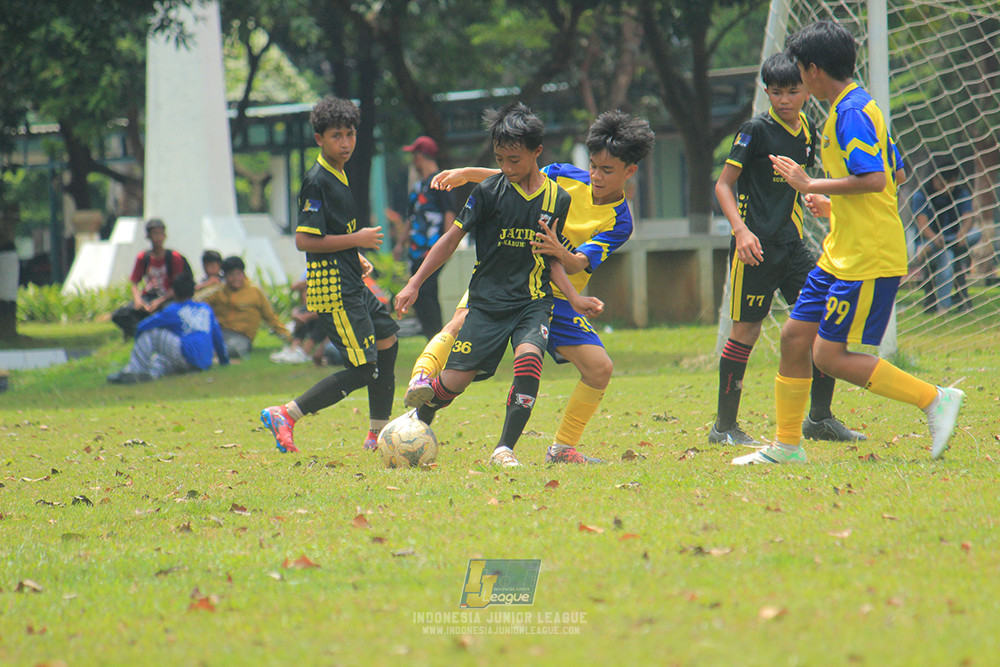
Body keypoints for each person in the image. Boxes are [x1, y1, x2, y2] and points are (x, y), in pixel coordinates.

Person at [733, 21, 964, 465]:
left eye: (800, 70)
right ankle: (786, 446)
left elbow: (876, 178)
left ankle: (935, 398)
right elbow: (894, 174)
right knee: (794, 337)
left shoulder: (850, 113)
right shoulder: (856, 105)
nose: (797, 79)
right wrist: (834, 204)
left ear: (814, 70)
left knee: (829, 356)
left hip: (867, 256)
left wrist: (808, 183)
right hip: (839, 251)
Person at [415, 110, 655, 464]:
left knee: (599, 368)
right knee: (456, 324)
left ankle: (562, 448)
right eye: (593, 166)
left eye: (607, 171)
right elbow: (515, 176)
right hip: (505, 274)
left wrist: (559, 252)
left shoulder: (620, 221)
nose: (596, 176)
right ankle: (420, 383)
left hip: (553, 295)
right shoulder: (565, 175)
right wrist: (467, 174)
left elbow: (576, 263)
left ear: (629, 172)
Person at [394, 102, 573, 468]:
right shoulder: (488, 192)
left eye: (514, 160)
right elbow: (449, 238)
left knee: (528, 360)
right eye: (499, 159)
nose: (506, 168)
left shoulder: (559, 199)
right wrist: (414, 282)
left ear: (537, 152)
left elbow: (551, 256)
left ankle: (504, 448)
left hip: (532, 302)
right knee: (454, 381)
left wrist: (574, 297)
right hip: (487, 303)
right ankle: (416, 425)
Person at [712, 53, 864, 446]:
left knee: (825, 318)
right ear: (766, 92)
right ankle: (724, 428)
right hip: (755, 248)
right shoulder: (754, 130)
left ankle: (819, 418)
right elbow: (723, 185)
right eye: (776, 92)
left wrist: (813, 197)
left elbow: (801, 183)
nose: (785, 99)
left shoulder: (809, 130)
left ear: (805, 91)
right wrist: (741, 231)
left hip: (793, 246)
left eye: (793, 91)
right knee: (745, 331)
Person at [259, 96, 399, 454]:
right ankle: (286, 414)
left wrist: (356, 255)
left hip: (350, 279)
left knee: (387, 340)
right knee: (364, 369)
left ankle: (377, 434)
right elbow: (305, 240)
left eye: (350, 134)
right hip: (333, 290)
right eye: (337, 135)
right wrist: (359, 239)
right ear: (319, 138)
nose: (346, 142)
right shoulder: (317, 181)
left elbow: (331, 233)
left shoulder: (340, 173)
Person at [107, 274, 228, 384]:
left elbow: (142, 326)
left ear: (174, 292)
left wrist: (139, 339)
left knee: (151, 333)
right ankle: (151, 374)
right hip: (204, 361)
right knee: (161, 359)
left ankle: (132, 371)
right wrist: (224, 360)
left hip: (188, 354)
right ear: (192, 291)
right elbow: (217, 336)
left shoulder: (174, 309)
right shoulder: (205, 309)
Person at [393, 135, 457, 338]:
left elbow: (450, 213)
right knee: (420, 295)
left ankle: (438, 340)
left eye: (414, 155)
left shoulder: (440, 182)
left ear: (420, 157)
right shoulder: (419, 186)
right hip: (416, 251)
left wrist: (447, 244)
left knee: (426, 293)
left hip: (433, 249)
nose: (413, 160)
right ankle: (434, 339)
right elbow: (412, 217)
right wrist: (400, 244)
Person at [911, 156, 979, 313]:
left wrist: (962, 233)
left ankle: (945, 305)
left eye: (951, 183)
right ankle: (943, 307)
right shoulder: (922, 195)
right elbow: (922, 224)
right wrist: (935, 238)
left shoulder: (960, 193)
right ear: (935, 178)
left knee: (976, 234)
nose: (947, 188)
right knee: (947, 259)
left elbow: (968, 218)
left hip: (954, 239)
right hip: (931, 241)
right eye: (943, 183)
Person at [111, 218, 192, 339]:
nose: (158, 237)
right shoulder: (143, 257)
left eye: (160, 233)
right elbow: (134, 282)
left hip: (167, 297)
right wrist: (138, 300)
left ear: (165, 236)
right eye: (155, 234)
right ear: (148, 236)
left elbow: (177, 286)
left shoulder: (174, 258)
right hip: (148, 297)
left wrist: (160, 301)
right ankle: (137, 333)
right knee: (120, 314)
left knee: (170, 312)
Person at [200, 256, 291, 359]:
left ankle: (210, 356)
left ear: (243, 274)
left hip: (242, 337)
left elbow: (270, 317)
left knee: (231, 348)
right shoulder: (218, 291)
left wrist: (289, 337)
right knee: (200, 342)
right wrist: (203, 286)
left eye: (238, 274)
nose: (235, 279)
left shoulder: (255, 292)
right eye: (230, 275)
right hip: (220, 332)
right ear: (224, 277)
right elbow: (196, 302)